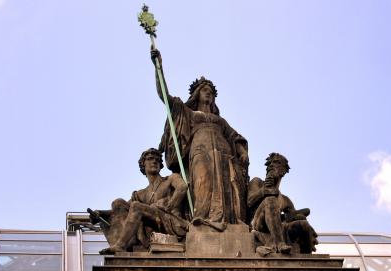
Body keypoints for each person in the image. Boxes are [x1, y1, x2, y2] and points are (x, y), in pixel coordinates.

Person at [151, 49, 249, 230]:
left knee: (225, 182)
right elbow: (163, 95)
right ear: (197, 93)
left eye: (211, 91)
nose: (208, 93)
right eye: (205, 90)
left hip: (223, 151)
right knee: (203, 180)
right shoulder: (188, 112)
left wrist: (242, 151)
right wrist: (159, 68)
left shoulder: (221, 120)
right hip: (199, 148)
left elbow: (236, 137)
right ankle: (201, 217)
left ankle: (224, 220)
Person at [88, 148, 188, 254]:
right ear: (143, 165)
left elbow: (182, 187)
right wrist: (101, 213)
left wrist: (169, 206)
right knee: (118, 203)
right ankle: (124, 243)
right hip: (154, 224)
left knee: (136, 206)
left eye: (157, 160)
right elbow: (122, 208)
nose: (154, 161)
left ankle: (120, 245)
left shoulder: (171, 179)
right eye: (150, 159)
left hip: (171, 221)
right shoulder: (141, 194)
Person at [247, 153, 318, 255]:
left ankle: (307, 257)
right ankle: (279, 243)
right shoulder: (257, 182)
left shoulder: (285, 200)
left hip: (280, 227)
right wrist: (263, 191)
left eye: (276, 162)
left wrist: (296, 217)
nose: (271, 165)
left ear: (284, 171)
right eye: (270, 164)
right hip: (259, 223)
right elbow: (249, 202)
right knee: (270, 200)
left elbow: (294, 217)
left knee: (304, 225)